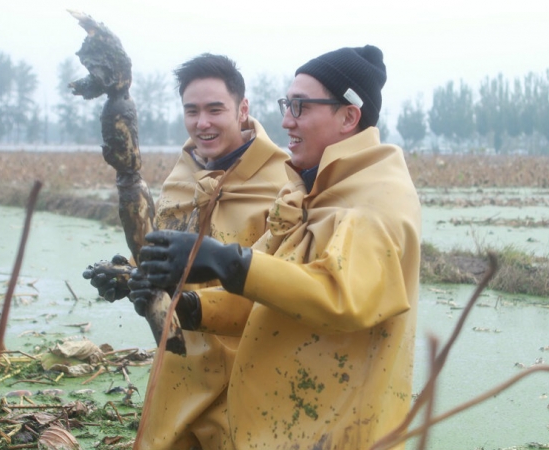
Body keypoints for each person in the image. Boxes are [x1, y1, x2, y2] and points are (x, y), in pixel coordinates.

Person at [133, 45, 422, 448]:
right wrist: (188, 307)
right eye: (287, 104)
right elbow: (264, 292)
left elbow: (342, 297)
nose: (285, 120)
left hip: (336, 427)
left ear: (349, 116)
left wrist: (225, 261)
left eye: (300, 106)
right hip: (277, 422)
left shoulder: (377, 200)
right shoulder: (308, 190)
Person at [84, 53, 289, 449]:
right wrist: (129, 273)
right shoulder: (180, 179)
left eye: (216, 109)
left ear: (243, 109)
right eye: (191, 111)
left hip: (249, 371)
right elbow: (165, 253)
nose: (202, 123)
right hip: (180, 365)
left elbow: (280, 282)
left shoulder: (282, 183)